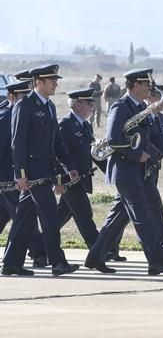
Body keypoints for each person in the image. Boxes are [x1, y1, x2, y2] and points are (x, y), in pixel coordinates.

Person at [84, 68, 163, 275]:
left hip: (138, 171)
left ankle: (95, 257)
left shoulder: (141, 108)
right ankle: (156, 261)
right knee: (141, 216)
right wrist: (136, 154)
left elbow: (156, 138)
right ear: (136, 85)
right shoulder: (120, 106)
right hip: (126, 170)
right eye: (146, 84)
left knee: (118, 218)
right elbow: (113, 139)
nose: (150, 88)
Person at [3, 64, 80, 276]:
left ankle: (11, 263)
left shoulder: (49, 106)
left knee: (24, 219)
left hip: (45, 172)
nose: (56, 83)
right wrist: (20, 175)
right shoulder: (24, 105)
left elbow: (56, 142)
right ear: (38, 82)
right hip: (32, 174)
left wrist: (69, 166)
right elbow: (17, 143)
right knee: (50, 217)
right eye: (52, 80)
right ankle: (57, 262)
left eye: (56, 80)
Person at [0, 80, 45, 265]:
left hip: (16, 177)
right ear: (11, 97)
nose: (25, 100)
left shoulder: (25, 115)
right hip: (7, 179)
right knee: (25, 216)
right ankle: (40, 254)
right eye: (21, 97)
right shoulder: (5, 118)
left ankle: (35, 254)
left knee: (8, 215)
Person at [56, 88, 100, 250]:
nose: (92, 108)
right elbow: (58, 154)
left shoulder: (86, 126)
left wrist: (110, 170)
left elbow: (92, 152)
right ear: (78, 105)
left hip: (82, 178)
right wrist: (62, 178)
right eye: (89, 104)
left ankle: (39, 247)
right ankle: (98, 251)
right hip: (70, 179)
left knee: (60, 216)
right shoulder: (65, 125)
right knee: (84, 215)